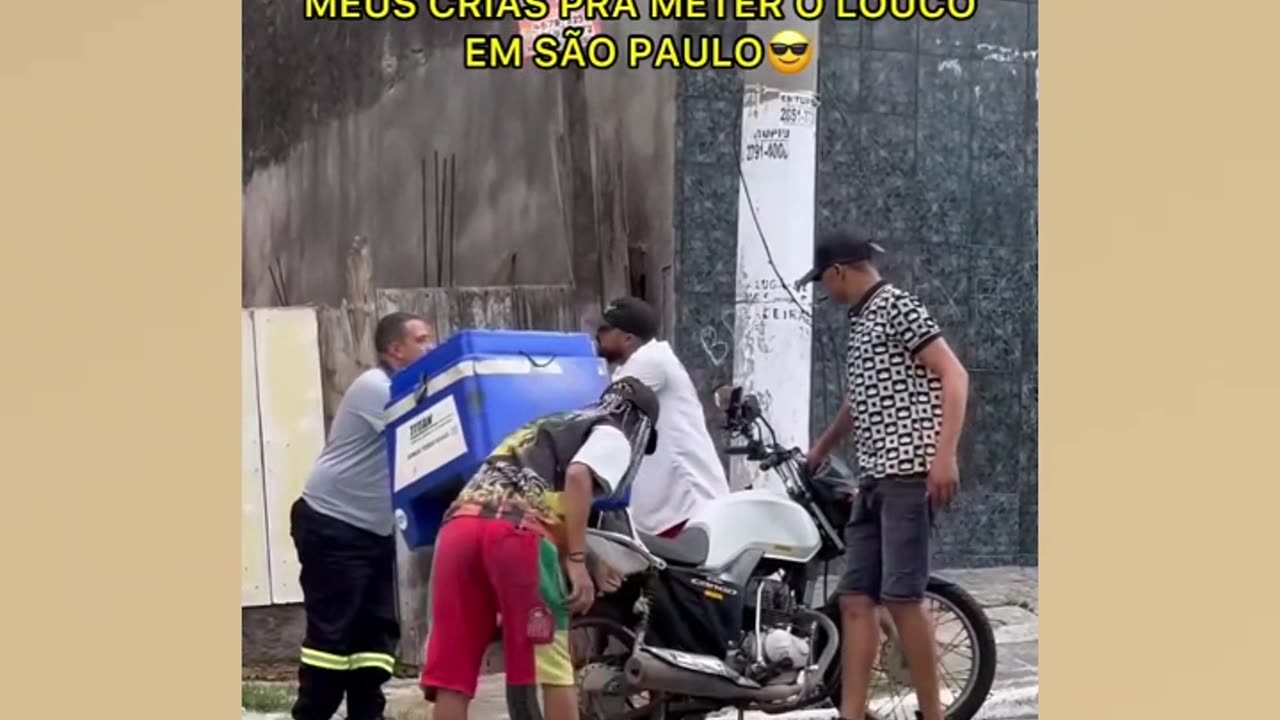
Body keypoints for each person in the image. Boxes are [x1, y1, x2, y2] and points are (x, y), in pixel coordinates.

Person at [798, 233, 970, 720]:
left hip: (910, 474)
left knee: (902, 598)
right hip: (872, 479)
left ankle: (932, 713)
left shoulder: (897, 306)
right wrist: (822, 448)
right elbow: (859, 399)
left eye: (825, 282)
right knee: (855, 599)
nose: (827, 292)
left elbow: (954, 375)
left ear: (839, 272)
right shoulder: (861, 321)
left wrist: (945, 456)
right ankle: (852, 713)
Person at [420, 377, 660, 720]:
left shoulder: (555, 424)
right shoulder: (614, 435)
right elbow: (578, 478)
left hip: (459, 528)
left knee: (453, 677)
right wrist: (577, 562)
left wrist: (587, 556)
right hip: (516, 535)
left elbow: (547, 495)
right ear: (641, 427)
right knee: (553, 668)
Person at [289, 312, 434, 720]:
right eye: (422, 340)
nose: (431, 347)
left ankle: (366, 715)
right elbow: (424, 432)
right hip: (332, 524)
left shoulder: (408, 389)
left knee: (374, 636)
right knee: (332, 638)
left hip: (372, 531)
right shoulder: (378, 388)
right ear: (395, 350)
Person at [595, 296, 729, 539]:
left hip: (685, 504)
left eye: (605, 329)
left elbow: (601, 406)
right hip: (667, 506)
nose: (597, 335)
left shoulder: (650, 361)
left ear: (628, 339)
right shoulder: (636, 364)